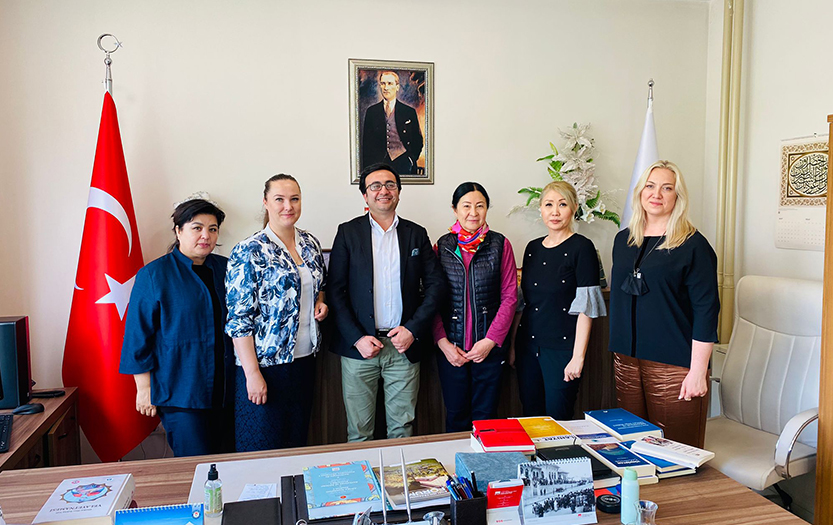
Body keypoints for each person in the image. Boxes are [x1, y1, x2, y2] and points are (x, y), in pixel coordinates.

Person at [328, 162, 445, 442]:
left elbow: (436, 286)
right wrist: (357, 338)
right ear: (365, 195)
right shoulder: (347, 232)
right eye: (375, 186)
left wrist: (412, 330)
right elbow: (335, 290)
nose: (384, 190)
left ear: (399, 192)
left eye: (390, 184)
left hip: (403, 347)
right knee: (359, 432)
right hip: (360, 348)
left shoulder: (416, 233)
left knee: (402, 430)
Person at [608, 160, 719, 448]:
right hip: (627, 360)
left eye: (667, 188)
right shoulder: (623, 240)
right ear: (640, 191)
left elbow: (707, 310)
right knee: (633, 448)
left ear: (677, 196)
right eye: (650, 186)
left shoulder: (693, 245)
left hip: (674, 365)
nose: (656, 194)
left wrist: (698, 371)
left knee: (677, 451)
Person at [120, 198, 234, 457]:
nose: (206, 236)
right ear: (178, 231)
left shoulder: (227, 269)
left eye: (213, 229)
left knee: (230, 463)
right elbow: (138, 336)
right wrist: (144, 389)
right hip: (181, 392)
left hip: (228, 390)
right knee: (194, 465)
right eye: (197, 228)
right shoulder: (154, 274)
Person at [225, 174, 328, 451]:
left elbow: (319, 285)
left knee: (296, 443)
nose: (288, 206)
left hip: (304, 360)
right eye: (279, 199)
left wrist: (320, 301)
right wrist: (252, 374)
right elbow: (239, 320)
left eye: (294, 199)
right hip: (264, 366)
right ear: (265, 202)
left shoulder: (310, 243)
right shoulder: (249, 250)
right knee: (261, 447)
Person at [511, 181, 606, 420]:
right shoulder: (532, 248)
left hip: (563, 349)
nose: (555, 211)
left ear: (573, 208)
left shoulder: (582, 247)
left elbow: (586, 308)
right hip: (528, 348)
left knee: (559, 418)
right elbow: (522, 304)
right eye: (549, 204)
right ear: (540, 209)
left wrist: (578, 357)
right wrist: (512, 346)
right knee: (530, 417)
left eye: (562, 204)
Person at [433, 182, 517, 432]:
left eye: (480, 206)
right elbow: (432, 298)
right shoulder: (442, 246)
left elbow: (510, 297)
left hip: (489, 349)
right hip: (451, 349)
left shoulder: (500, 244)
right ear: (455, 209)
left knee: (487, 418)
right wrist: (443, 343)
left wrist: (490, 341)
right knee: (456, 416)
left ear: (487, 209)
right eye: (466, 206)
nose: (473, 212)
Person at [361, 71, 424, 175]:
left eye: (390, 83)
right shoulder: (371, 111)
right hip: (379, 165)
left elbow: (418, 140)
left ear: (397, 87)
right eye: (383, 83)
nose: (386, 87)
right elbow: (367, 144)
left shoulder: (409, 111)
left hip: (403, 164)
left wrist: (410, 159)